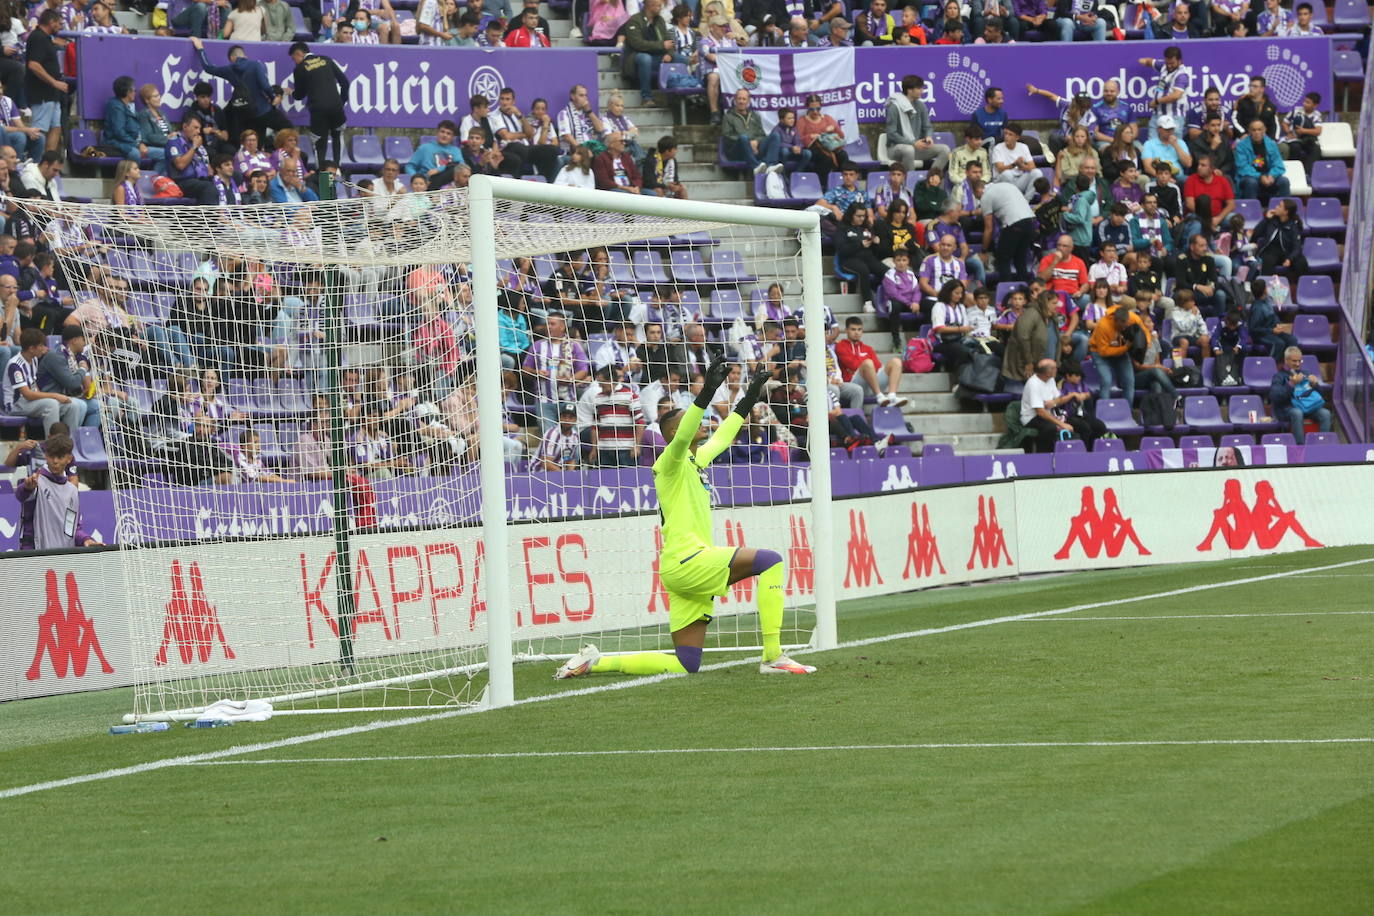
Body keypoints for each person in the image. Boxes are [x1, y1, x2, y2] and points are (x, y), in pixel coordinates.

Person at [556, 361, 816, 679]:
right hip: (688, 560)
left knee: (685, 664)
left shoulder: (696, 460)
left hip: (681, 568)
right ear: (673, 432)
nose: (702, 421)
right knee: (770, 561)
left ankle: (596, 662)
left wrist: (750, 397)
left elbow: (723, 438)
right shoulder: (669, 462)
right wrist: (706, 392)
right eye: (690, 420)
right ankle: (773, 656)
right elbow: (681, 439)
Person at [15, 432, 99, 549]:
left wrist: (86, 540)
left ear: (69, 459)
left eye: (60, 457)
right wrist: (27, 487)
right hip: (34, 553)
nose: (55, 461)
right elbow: (20, 495)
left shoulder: (72, 491)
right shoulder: (35, 481)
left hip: (62, 556)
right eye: (51, 456)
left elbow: (72, 530)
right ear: (45, 455)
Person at [4, 327, 84, 433]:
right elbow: (27, 394)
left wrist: (51, 397)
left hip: (29, 402)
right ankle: (53, 442)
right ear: (31, 349)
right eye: (41, 346)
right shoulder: (15, 365)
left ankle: (69, 441)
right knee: (51, 404)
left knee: (72, 405)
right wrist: (56, 396)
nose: (44, 348)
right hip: (16, 404)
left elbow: (34, 387)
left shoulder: (33, 360)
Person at [288, 42, 350, 166]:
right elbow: (345, 82)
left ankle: (322, 175)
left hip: (317, 108)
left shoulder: (300, 68)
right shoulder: (326, 60)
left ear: (298, 53)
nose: (295, 62)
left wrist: (291, 93)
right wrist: (341, 101)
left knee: (320, 142)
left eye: (294, 59)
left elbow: (300, 95)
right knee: (337, 135)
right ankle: (337, 169)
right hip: (335, 106)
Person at [835, 315, 908, 407]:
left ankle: (892, 397)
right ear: (846, 330)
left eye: (859, 329)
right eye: (853, 329)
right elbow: (853, 365)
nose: (856, 332)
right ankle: (879, 396)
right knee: (868, 363)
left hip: (872, 382)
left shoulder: (868, 348)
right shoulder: (841, 346)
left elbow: (877, 366)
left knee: (896, 362)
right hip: (854, 384)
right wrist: (865, 363)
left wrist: (863, 363)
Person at [884, 74, 950, 174]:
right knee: (909, 150)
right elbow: (891, 134)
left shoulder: (921, 105)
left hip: (916, 147)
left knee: (945, 150)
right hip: (896, 149)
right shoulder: (894, 107)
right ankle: (911, 180)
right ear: (910, 90)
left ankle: (931, 178)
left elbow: (927, 126)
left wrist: (928, 137)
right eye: (919, 88)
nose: (922, 91)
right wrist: (913, 143)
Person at [975, 177, 1036, 281]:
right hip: (1030, 221)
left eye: (977, 197)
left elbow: (989, 228)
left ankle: (1007, 287)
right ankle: (1023, 287)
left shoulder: (986, 196)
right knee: (1020, 259)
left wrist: (984, 251)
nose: (979, 200)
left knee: (1003, 258)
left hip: (1014, 223)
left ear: (978, 190)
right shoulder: (1007, 185)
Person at [1269, 346, 1331, 444]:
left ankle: (1322, 446)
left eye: (1300, 361)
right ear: (1286, 360)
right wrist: (1291, 385)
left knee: (1325, 413)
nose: (1298, 364)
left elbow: (1320, 395)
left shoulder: (1305, 373)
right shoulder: (1279, 376)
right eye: (1294, 361)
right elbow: (1275, 397)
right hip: (1287, 408)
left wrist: (1315, 384)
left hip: (1308, 407)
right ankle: (1299, 447)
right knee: (1297, 413)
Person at [24, 10, 66, 154]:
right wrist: (54, 82)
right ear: (51, 22)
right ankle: (35, 162)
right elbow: (33, 64)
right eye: (59, 23)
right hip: (41, 93)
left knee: (56, 127)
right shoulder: (37, 37)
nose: (60, 27)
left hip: (52, 94)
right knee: (39, 131)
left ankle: (49, 161)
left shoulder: (46, 38)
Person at [622, 0, 677, 106]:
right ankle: (646, 98)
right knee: (645, 58)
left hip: (657, 57)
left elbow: (669, 41)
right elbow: (637, 44)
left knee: (681, 59)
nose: (660, 8)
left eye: (660, 5)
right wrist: (661, 45)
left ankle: (680, 97)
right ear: (650, 5)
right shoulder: (634, 20)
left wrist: (669, 54)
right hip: (636, 57)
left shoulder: (660, 20)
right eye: (658, 5)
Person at [1021, 358, 1083, 452]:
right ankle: (1045, 455)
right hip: (1032, 417)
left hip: (1049, 413)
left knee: (1082, 425)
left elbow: (1059, 399)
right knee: (1050, 428)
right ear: (1047, 372)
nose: (1057, 369)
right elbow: (1040, 412)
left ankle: (1083, 453)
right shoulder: (1033, 384)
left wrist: (1053, 402)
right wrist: (1061, 424)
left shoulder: (1051, 380)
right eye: (1054, 368)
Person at [835, 203, 886, 312]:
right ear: (851, 215)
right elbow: (841, 250)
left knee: (887, 272)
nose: (862, 218)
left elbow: (875, 252)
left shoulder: (866, 227)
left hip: (869, 259)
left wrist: (876, 244)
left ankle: (887, 299)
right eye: (858, 216)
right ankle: (867, 303)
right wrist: (860, 245)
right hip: (849, 260)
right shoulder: (842, 228)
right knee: (863, 270)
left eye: (863, 216)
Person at [1088, 304, 1143, 403]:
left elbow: (1144, 332)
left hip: (1120, 351)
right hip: (1100, 353)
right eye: (1122, 325)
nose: (1124, 327)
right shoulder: (1103, 326)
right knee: (1106, 381)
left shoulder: (1133, 319)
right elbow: (1103, 351)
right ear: (1115, 320)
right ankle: (1104, 411)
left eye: (1126, 324)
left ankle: (1127, 410)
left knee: (1129, 381)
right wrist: (1125, 348)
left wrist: (1142, 344)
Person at [1234, 119, 1290, 204]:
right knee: (1251, 182)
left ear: (1264, 130)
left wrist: (1272, 175)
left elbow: (1278, 165)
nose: (1257, 132)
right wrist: (1260, 176)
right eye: (1254, 130)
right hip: (1250, 176)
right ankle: (1251, 209)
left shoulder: (1272, 144)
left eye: (1259, 129)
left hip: (1269, 176)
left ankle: (1285, 209)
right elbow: (1242, 167)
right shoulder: (1241, 146)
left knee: (1284, 181)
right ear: (1249, 131)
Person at [1138, 46, 1192, 132]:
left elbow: (1175, 96)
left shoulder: (1182, 75)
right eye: (1167, 63)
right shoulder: (1164, 66)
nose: (1169, 66)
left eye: (1172, 63)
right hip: (1157, 114)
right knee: (1153, 139)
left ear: (1179, 61)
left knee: (1173, 140)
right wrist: (1143, 61)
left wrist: (1156, 101)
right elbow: (1150, 61)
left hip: (1174, 116)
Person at [1251, 198, 1307, 275]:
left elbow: (1297, 247)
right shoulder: (1271, 220)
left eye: (1280, 206)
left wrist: (1289, 259)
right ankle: (1267, 281)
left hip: (1287, 251)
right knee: (1267, 260)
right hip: (1271, 251)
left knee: (1301, 262)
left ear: (1286, 212)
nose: (1276, 207)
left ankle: (1302, 281)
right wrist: (1266, 219)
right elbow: (1256, 233)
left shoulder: (1294, 225)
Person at [721, 88, 770, 176]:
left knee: (775, 137)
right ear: (735, 100)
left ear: (748, 101)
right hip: (736, 152)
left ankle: (770, 166)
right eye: (739, 99)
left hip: (754, 149)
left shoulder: (755, 116)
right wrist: (747, 142)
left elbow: (762, 135)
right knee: (743, 137)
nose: (741, 101)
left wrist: (756, 141)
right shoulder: (728, 116)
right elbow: (727, 135)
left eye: (744, 99)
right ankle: (756, 166)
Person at [1248, 277, 1297, 359]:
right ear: (1265, 290)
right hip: (1262, 335)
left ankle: (1290, 362)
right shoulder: (1257, 309)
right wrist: (1272, 330)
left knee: (1292, 340)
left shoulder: (1266, 300)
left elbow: (1273, 316)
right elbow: (1254, 329)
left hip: (1273, 331)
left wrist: (1278, 325)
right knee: (1279, 343)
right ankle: (1270, 364)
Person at [990, 122, 1042, 200]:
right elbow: (1000, 169)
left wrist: (1022, 166)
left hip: (1019, 180)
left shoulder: (1023, 147)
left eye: (1010, 134)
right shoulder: (998, 148)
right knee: (1007, 174)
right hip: (1002, 181)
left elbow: (1032, 167)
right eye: (1005, 133)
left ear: (1017, 137)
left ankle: (1026, 201)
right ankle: (1013, 200)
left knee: (1037, 172)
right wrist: (1014, 164)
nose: (1006, 137)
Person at [1281, 91, 1323, 174]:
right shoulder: (1296, 111)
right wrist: (1288, 132)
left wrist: (1303, 131)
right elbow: (1285, 123)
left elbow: (1318, 131)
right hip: (1294, 139)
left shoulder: (1316, 115)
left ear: (1315, 105)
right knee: (1295, 147)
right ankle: (1294, 172)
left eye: (1308, 102)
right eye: (1304, 101)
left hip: (1308, 139)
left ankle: (1307, 173)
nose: (1304, 104)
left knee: (1316, 149)